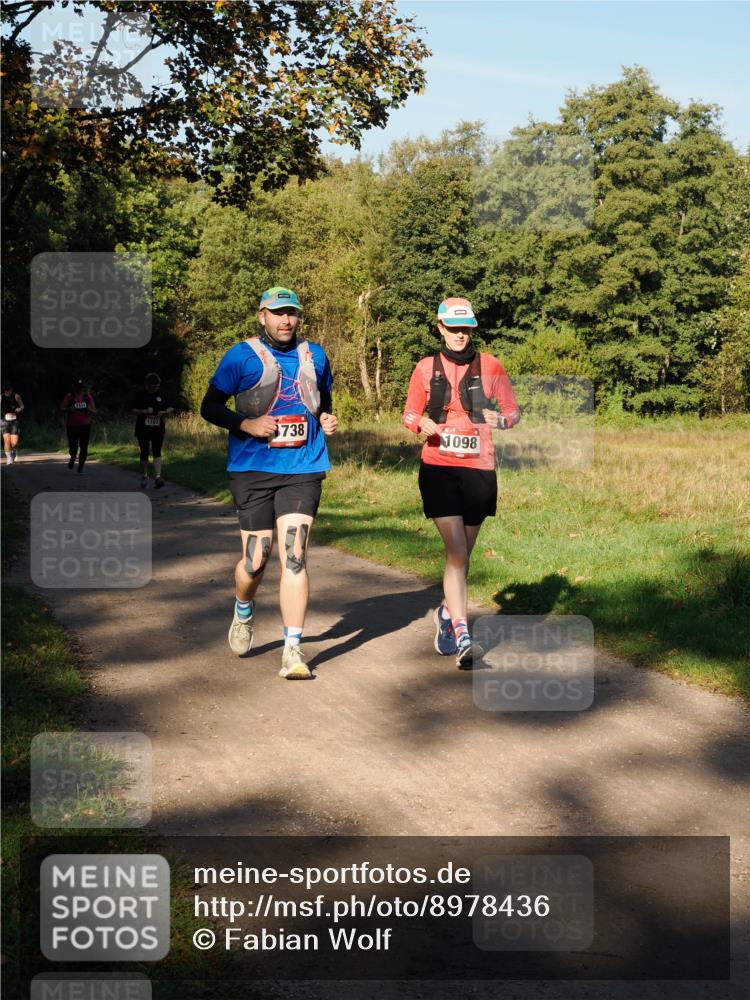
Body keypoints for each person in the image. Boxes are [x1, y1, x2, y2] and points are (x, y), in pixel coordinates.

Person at [200, 287, 338, 680]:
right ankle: (243, 608)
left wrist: (327, 418)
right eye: (277, 313)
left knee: (295, 556)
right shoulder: (240, 356)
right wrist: (245, 424)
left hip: (303, 466)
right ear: (261, 315)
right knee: (256, 560)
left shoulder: (316, 355)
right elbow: (208, 406)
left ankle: (293, 649)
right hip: (253, 469)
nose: (286, 321)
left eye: (291, 313)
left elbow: (323, 398)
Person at [402, 297, 520, 668]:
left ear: (472, 328)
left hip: (479, 470)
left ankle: (445, 613)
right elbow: (408, 413)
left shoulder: (491, 366)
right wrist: (420, 424)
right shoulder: (425, 369)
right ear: (440, 327)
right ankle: (465, 633)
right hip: (437, 467)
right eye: (453, 328)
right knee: (456, 553)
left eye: (465, 328)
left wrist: (499, 421)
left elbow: (513, 413)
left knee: (462, 557)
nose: (459, 334)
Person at [132, 372, 174, 489]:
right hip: (143, 428)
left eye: (157, 386)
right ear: (147, 385)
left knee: (157, 451)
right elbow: (133, 410)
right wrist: (144, 411)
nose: (156, 388)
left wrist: (164, 412)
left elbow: (171, 407)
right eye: (153, 386)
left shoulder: (162, 394)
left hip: (158, 427)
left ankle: (158, 477)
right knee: (144, 451)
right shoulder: (140, 394)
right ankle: (145, 475)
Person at [61, 378, 96, 474]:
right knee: (73, 446)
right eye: (77, 387)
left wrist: (88, 409)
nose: (79, 389)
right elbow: (62, 408)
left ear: (83, 388)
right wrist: (69, 409)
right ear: (74, 387)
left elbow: (94, 411)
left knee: (84, 446)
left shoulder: (87, 397)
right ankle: (73, 457)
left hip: (85, 425)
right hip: (71, 426)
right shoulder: (69, 396)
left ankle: (81, 465)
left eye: (81, 388)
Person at [2, 380, 24, 464]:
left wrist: (20, 408)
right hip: (4, 421)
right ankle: (9, 458)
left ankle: (15, 452)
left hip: (15, 420)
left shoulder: (16, 396)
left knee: (14, 442)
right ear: (5, 390)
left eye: (10, 390)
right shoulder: (1, 397)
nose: (9, 392)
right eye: (7, 390)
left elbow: (22, 406)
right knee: (7, 440)